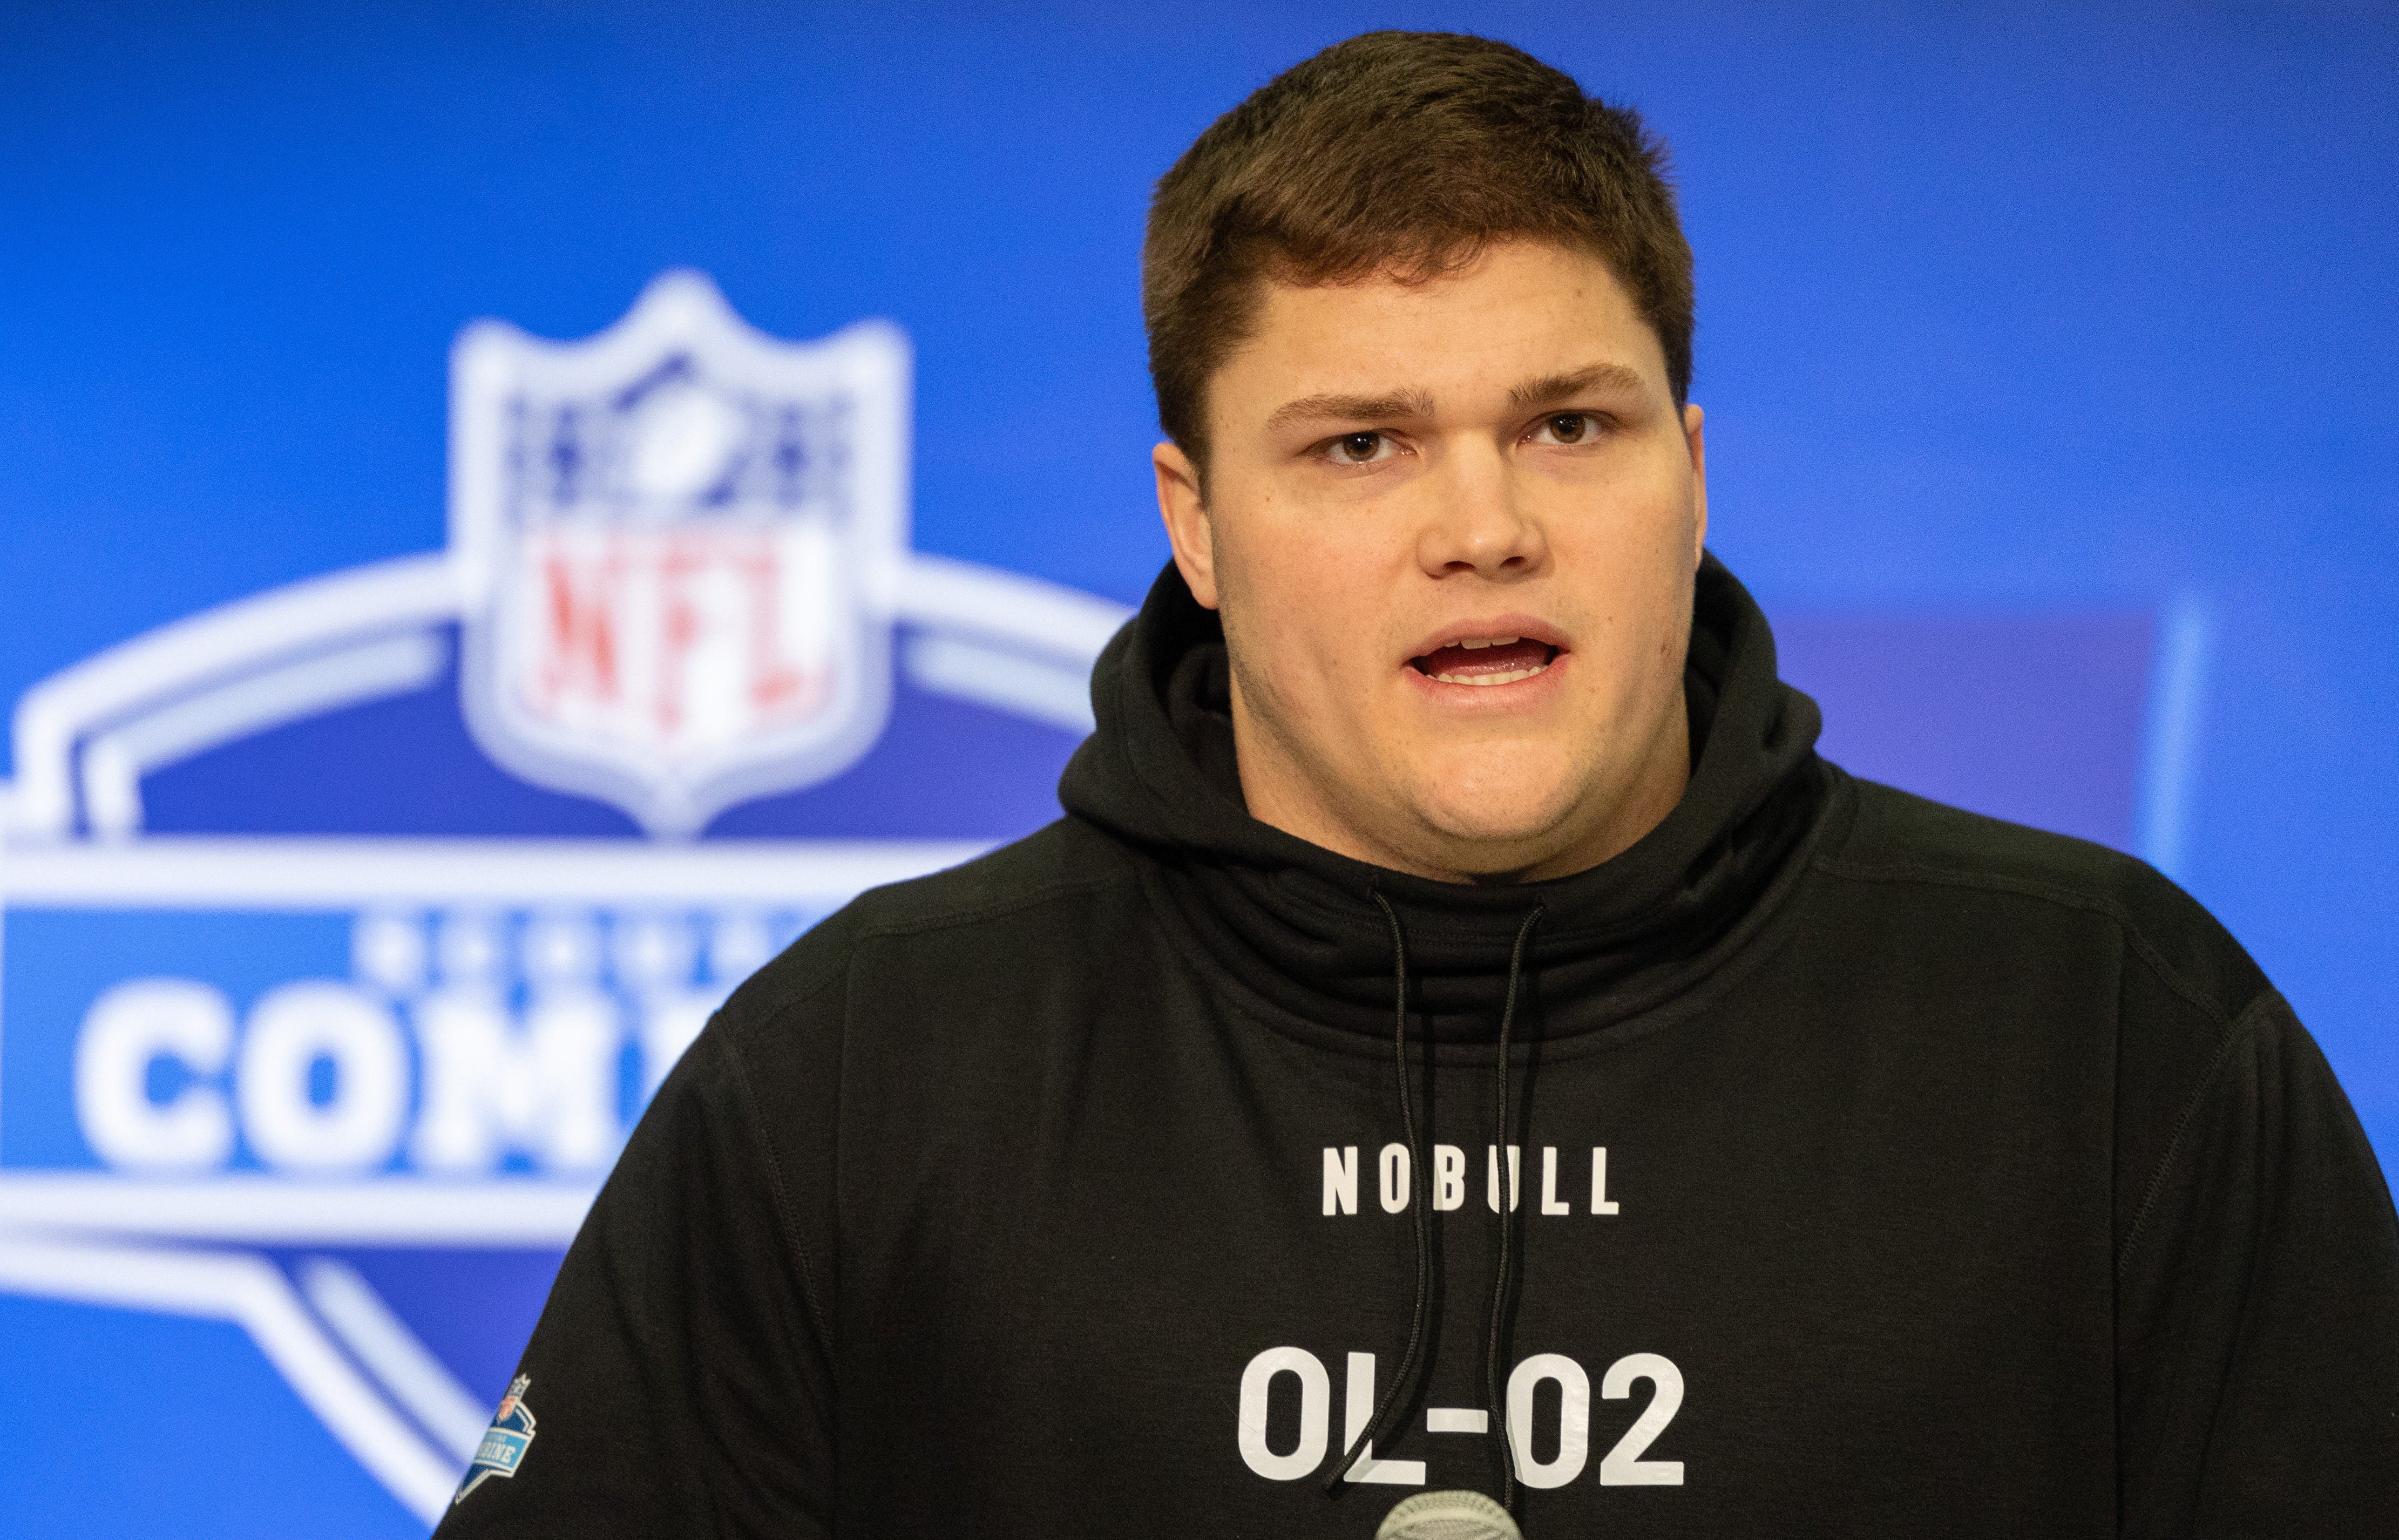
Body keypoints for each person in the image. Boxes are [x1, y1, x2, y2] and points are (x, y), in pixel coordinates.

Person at [433, 31, 2399, 1537]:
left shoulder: (2112, 1030)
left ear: (1691, 469)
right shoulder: (868, 1064)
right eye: (1361, 445)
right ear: (1194, 524)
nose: (1486, 524)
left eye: (1567, 423)